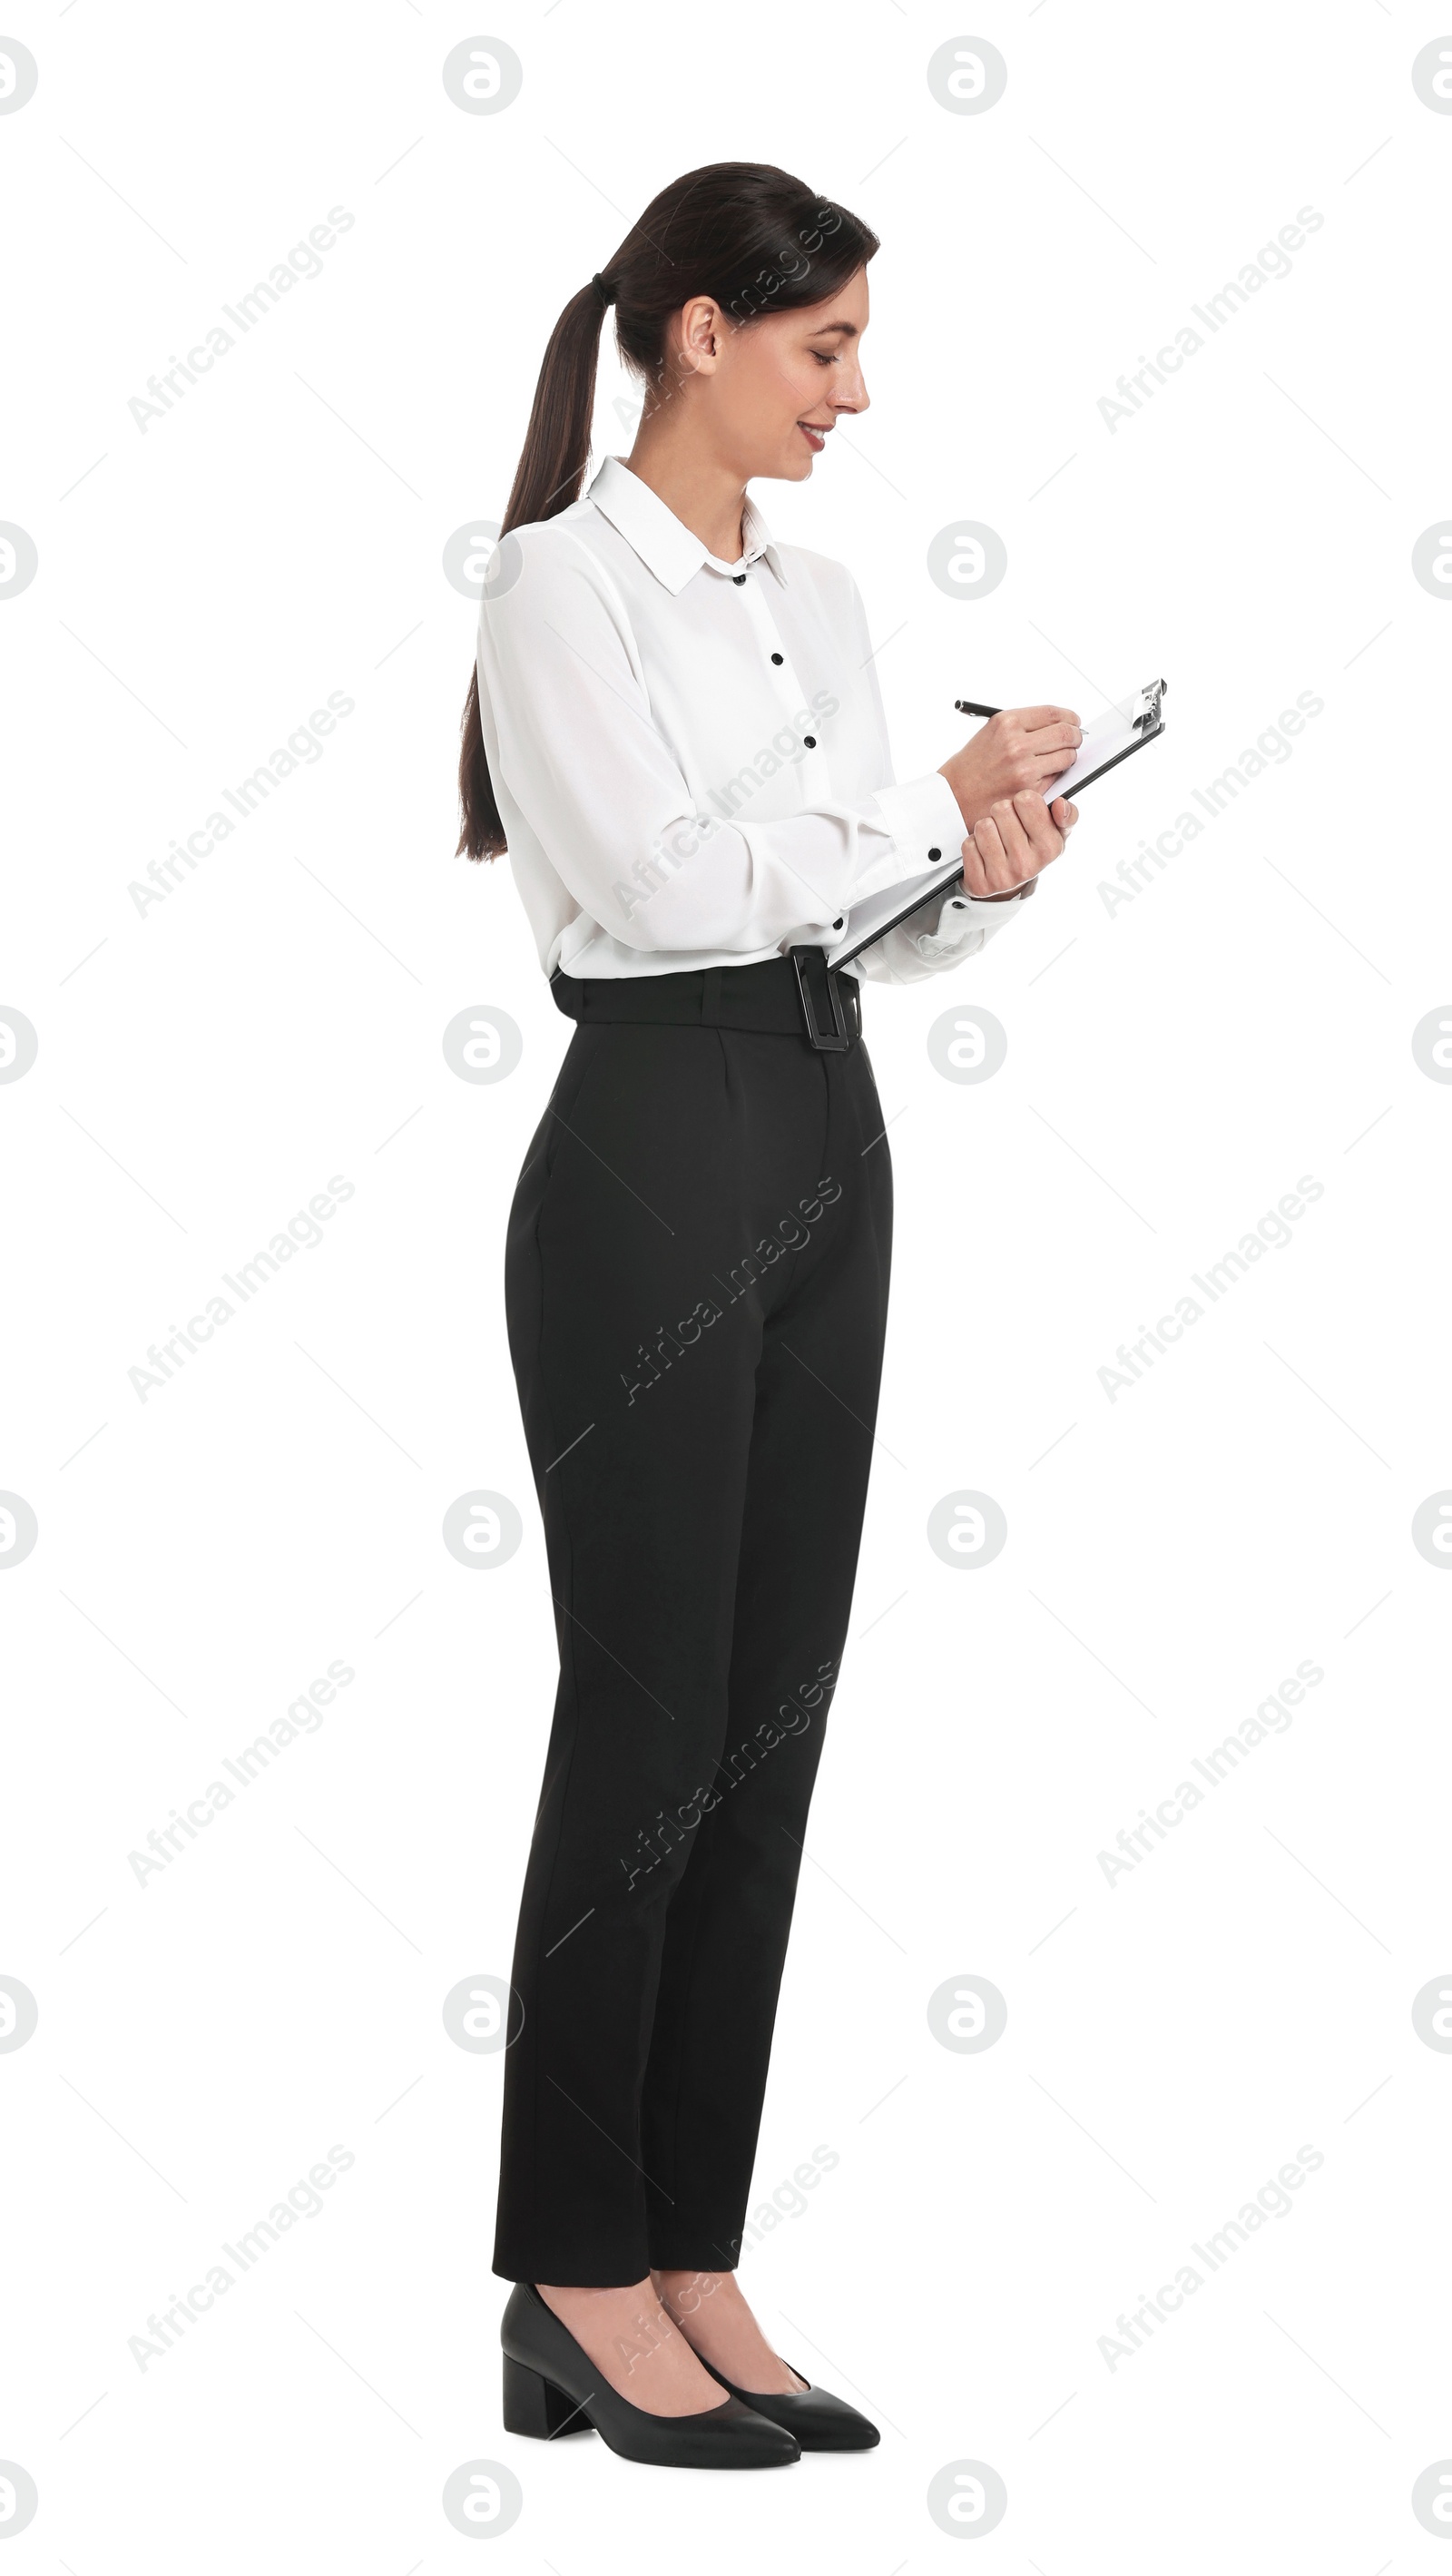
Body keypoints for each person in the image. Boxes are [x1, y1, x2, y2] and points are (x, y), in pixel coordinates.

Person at [460, 160, 1079, 2471]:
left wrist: (984, 855)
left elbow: (855, 923)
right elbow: (657, 885)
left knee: (765, 1720)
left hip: (828, 1135)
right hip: (648, 1141)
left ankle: (690, 2246)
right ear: (700, 333)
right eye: (821, 348)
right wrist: (910, 814)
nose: (850, 394)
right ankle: (565, 2266)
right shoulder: (552, 585)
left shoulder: (814, 595)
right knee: (639, 1731)